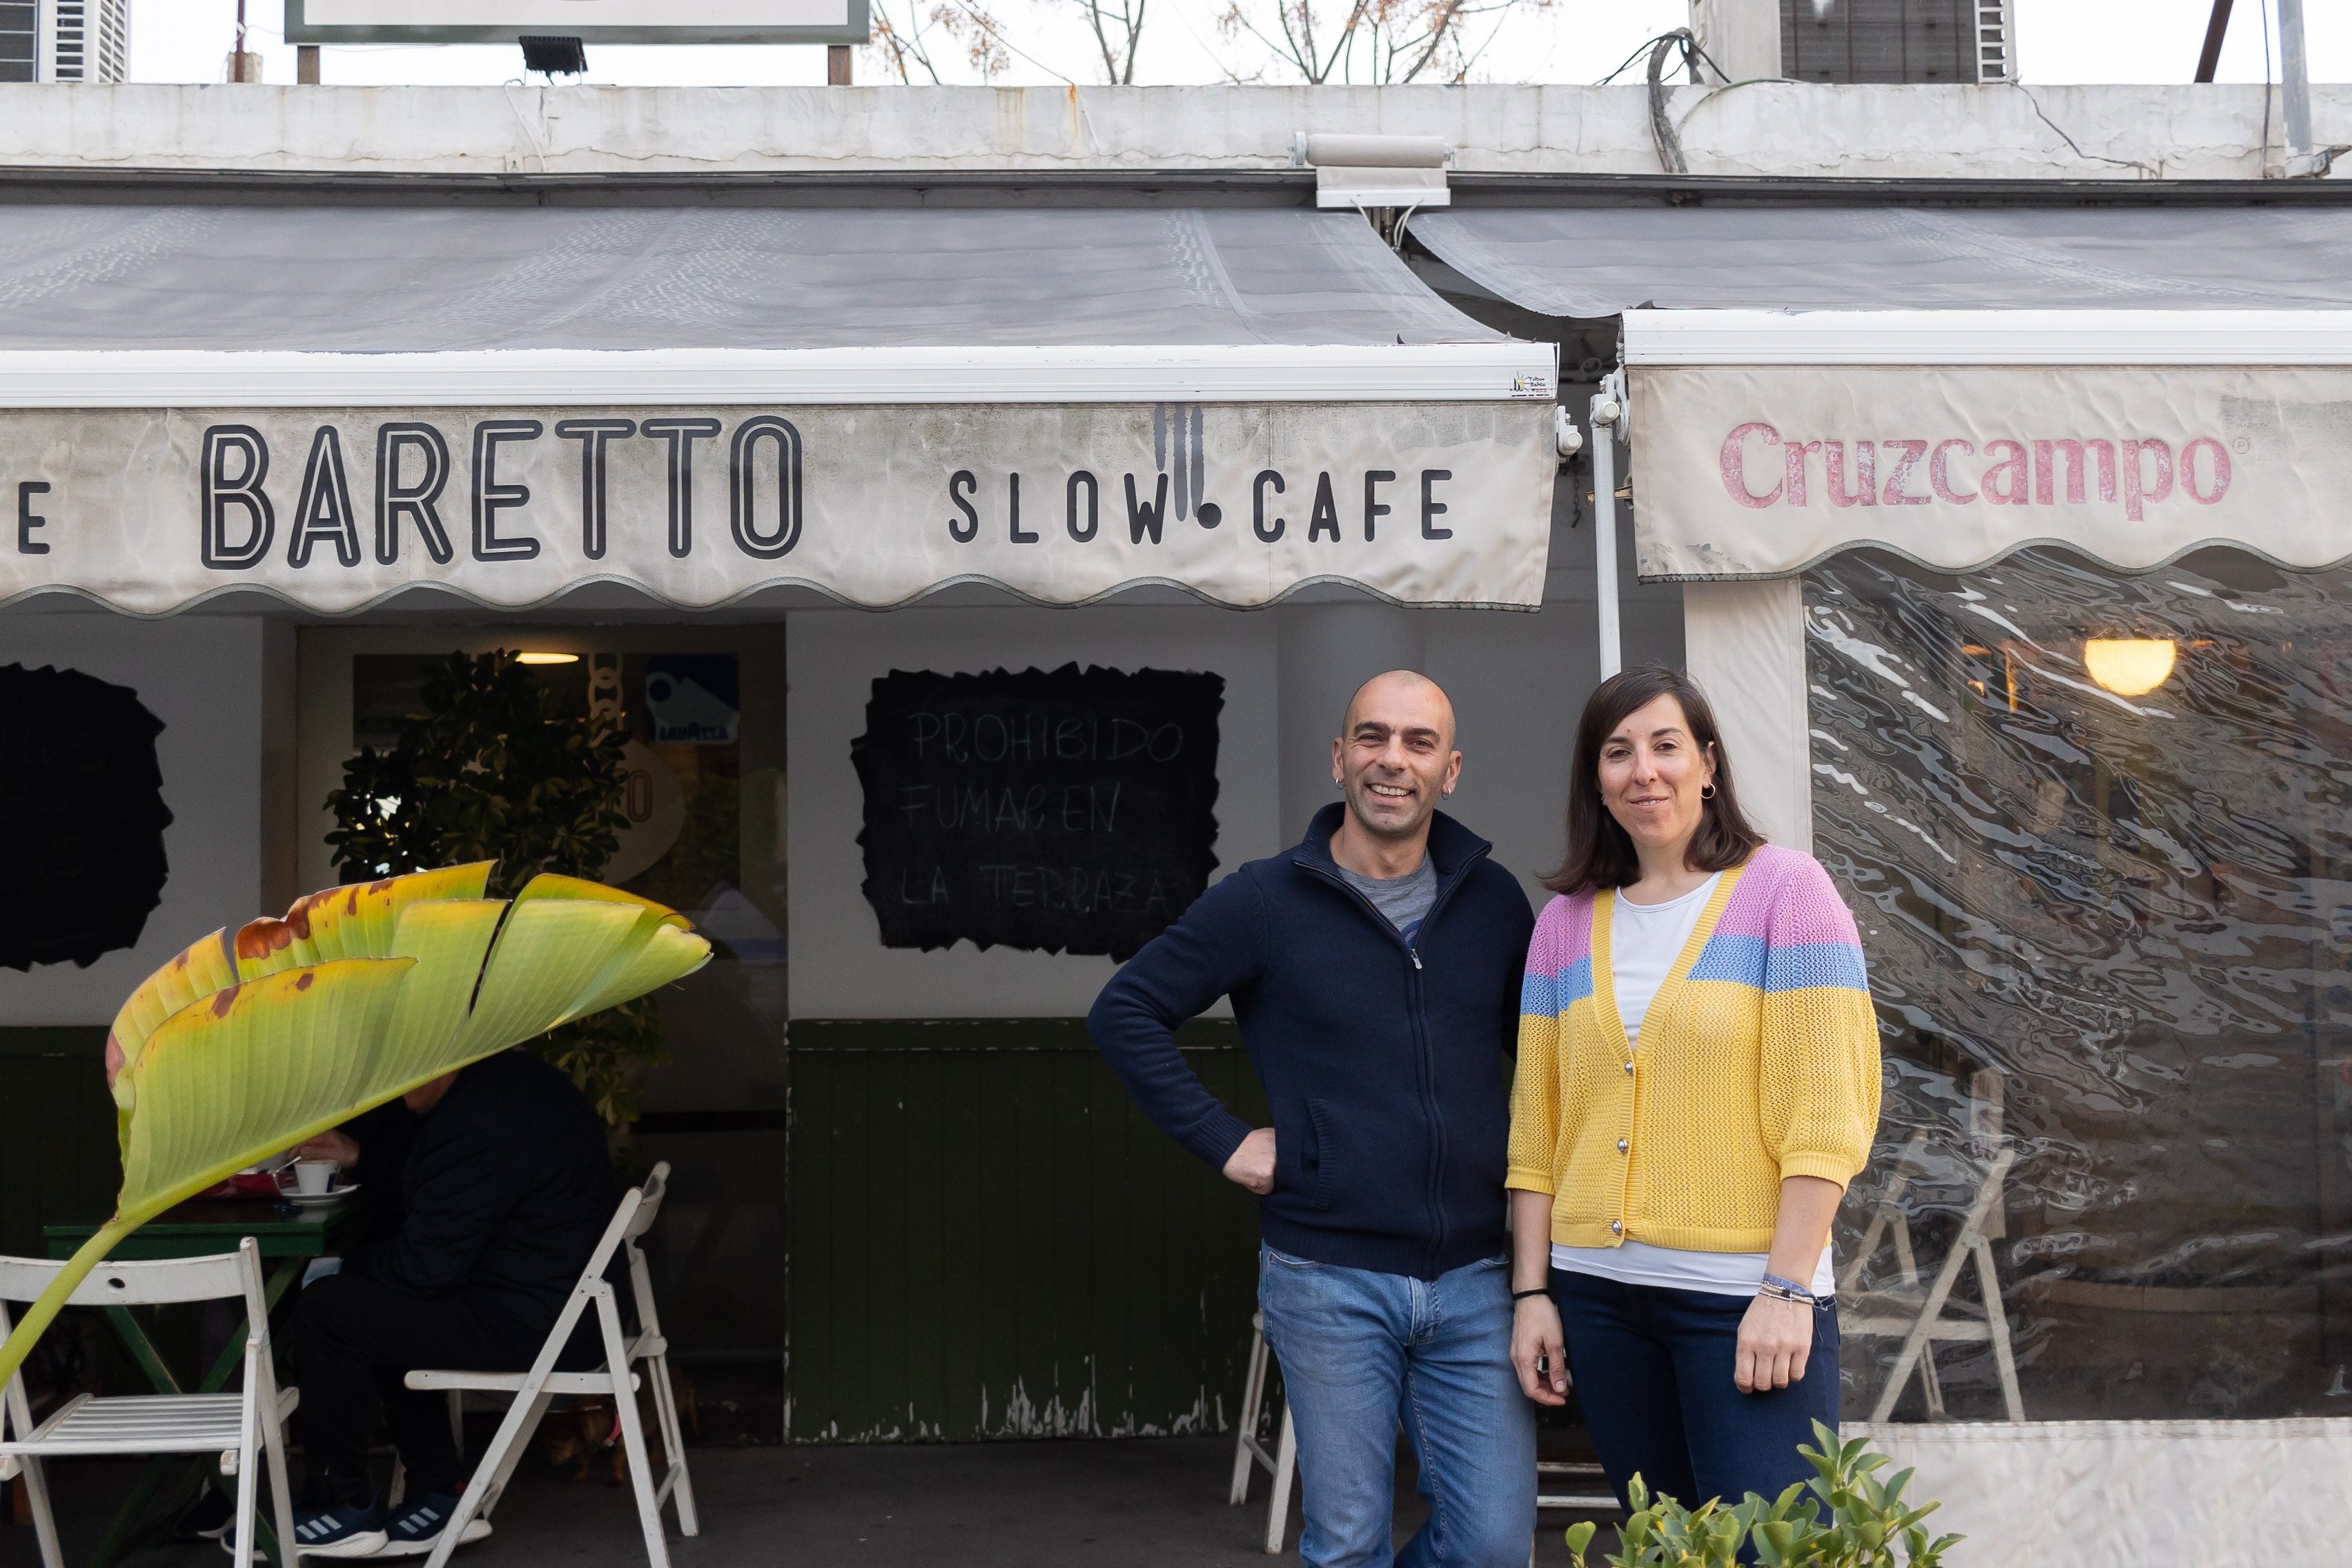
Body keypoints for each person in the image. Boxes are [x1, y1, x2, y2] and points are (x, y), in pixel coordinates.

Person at [1090, 670, 1538, 1568]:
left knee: (1492, 1542)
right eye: (1372, 738)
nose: (1392, 761)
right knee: (1346, 1543)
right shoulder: (1264, 901)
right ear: (1340, 758)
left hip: (1477, 1278)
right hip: (1328, 1276)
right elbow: (1124, 1010)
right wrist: (1227, 1140)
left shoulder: (1496, 906)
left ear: (1451, 771)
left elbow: (1547, 1070)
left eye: (1418, 744)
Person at [1505, 666, 1881, 1516]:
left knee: (1769, 1545)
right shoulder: (1561, 927)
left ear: (1708, 764)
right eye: (1618, 752)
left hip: (1747, 1300)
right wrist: (1534, 1294)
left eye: (1666, 745)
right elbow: (1537, 1133)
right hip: (1601, 1302)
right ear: (1596, 783)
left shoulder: (1789, 893)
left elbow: (1827, 1115)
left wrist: (1787, 1289)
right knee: (1664, 1542)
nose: (1645, 771)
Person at [239, 1048, 619, 1559]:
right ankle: (440, 1489)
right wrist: (363, 1161)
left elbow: (424, 1269)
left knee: (331, 1311)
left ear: (438, 1054)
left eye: (396, 1071)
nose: (391, 1093)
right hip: (572, 1309)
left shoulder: (477, 1119)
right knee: (379, 1309)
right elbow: (444, 1199)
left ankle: (341, 1508)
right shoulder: (513, 1084)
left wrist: (344, 1265)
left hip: (540, 1324)